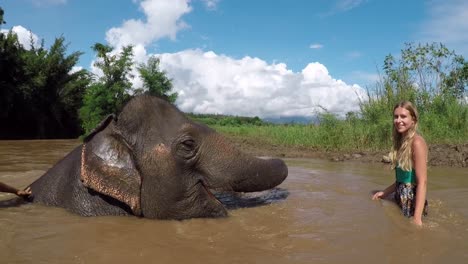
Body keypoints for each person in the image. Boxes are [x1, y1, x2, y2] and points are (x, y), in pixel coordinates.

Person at [372, 101, 428, 227]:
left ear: (413, 119)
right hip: (400, 197)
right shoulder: (401, 143)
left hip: (412, 203)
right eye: (396, 116)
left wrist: (417, 218)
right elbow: (402, 180)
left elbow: (422, 182)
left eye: (403, 116)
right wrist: (385, 192)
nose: (398, 120)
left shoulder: (417, 143)